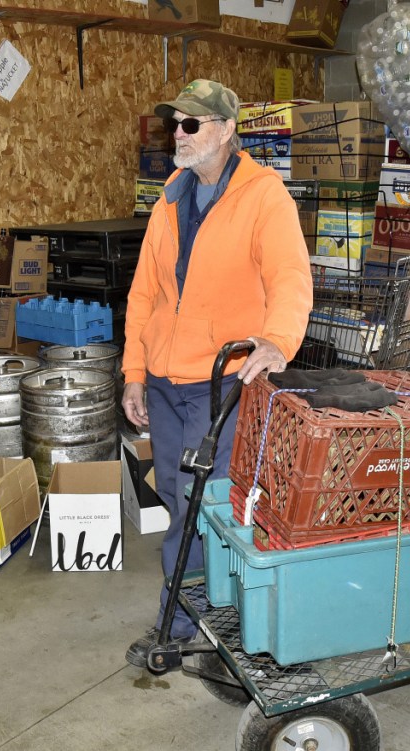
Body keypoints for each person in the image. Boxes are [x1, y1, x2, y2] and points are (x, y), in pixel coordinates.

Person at [121, 80, 313, 667]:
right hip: (163, 383)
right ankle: (192, 614)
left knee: (216, 506)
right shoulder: (171, 198)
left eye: (192, 124)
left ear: (227, 130)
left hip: (223, 384)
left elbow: (289, 278)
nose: (178, 135)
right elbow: (144, 292)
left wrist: (279, 341)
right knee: (182, 501)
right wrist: (133, 370)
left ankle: (196, 619)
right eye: (173, 124)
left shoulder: (263, 196)